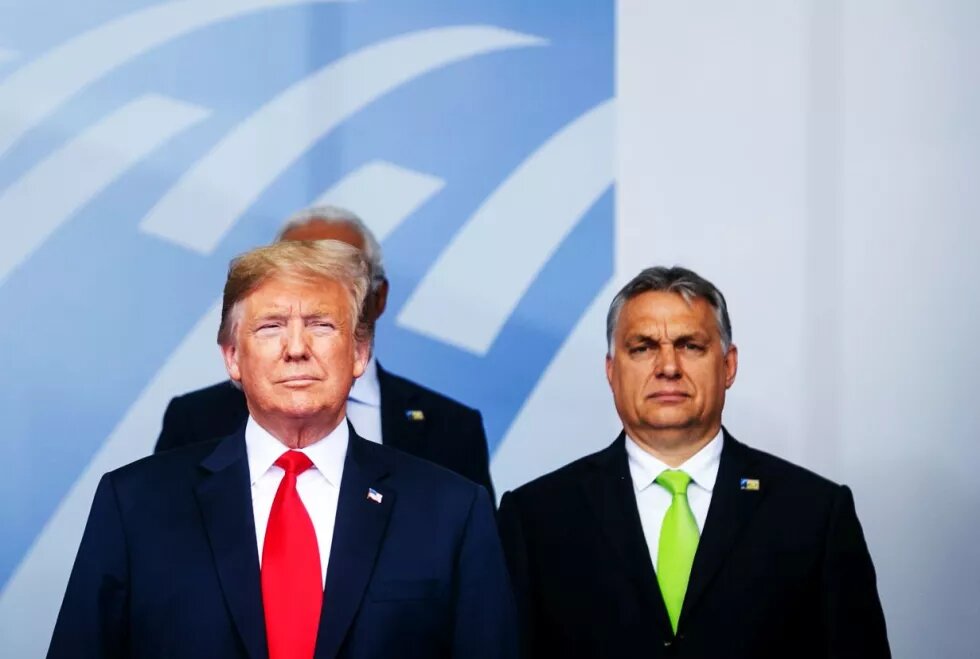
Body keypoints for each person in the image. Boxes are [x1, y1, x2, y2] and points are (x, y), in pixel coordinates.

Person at [48, 240, 517, 659]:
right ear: (232, 356)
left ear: (359, 353)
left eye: (321, 325)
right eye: (270, 327)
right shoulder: (135, 505)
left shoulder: (450, 510)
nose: (296, 348)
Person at [497, 266, 890, 658]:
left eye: (690, 346)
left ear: (728, 365)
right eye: (643, 347)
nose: (668, 367)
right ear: (612, 371)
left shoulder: (815, 513)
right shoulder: (535, 518)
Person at [155, 206, 494, 499]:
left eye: (336, 282)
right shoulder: (194, 420)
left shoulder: (452, 429)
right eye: (289, 280)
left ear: (378, 297)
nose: (298, 343)